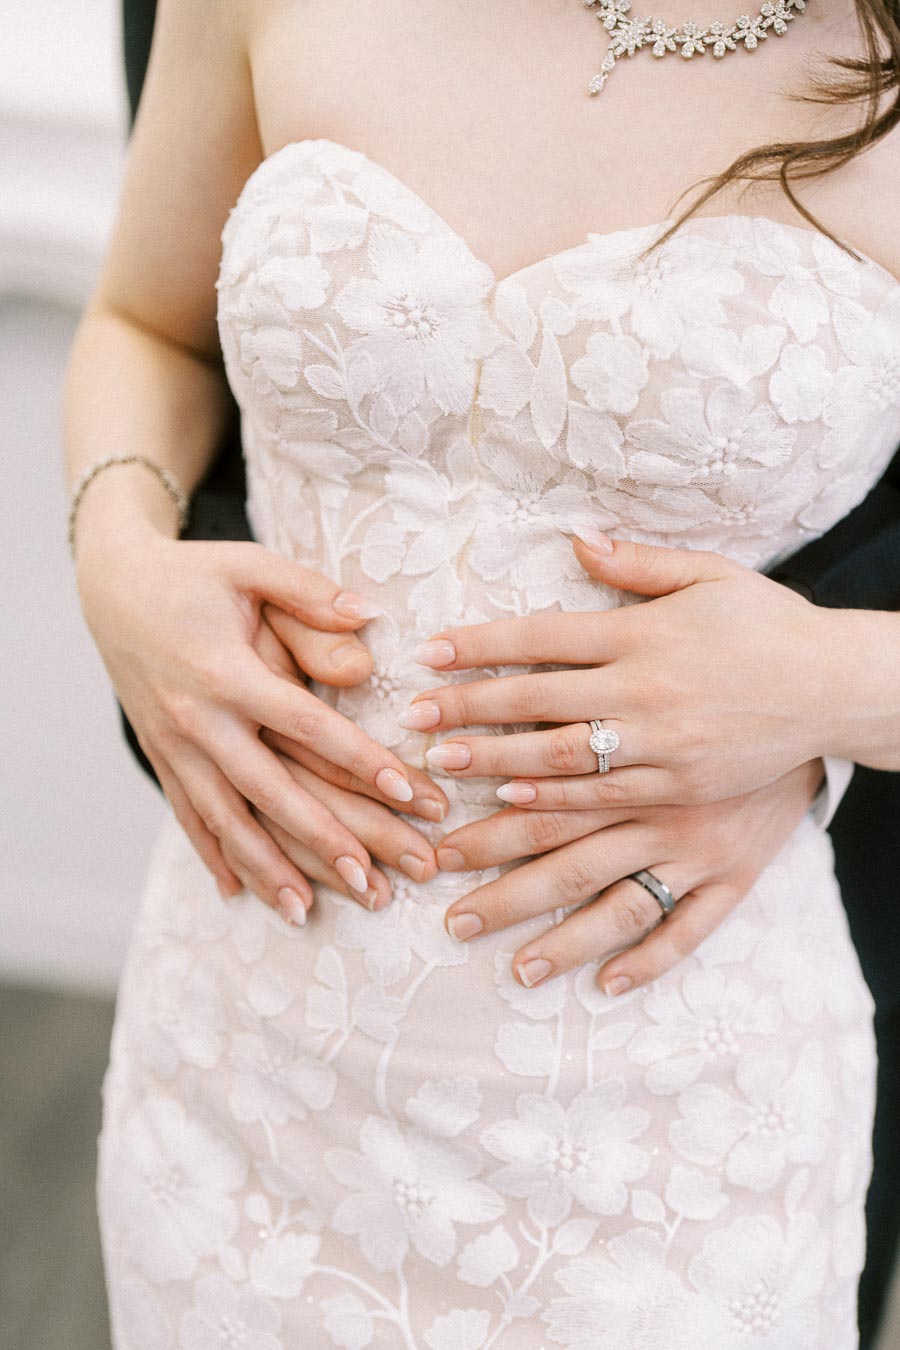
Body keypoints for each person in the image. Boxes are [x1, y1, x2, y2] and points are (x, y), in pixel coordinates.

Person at [65, 0, 900, 1343]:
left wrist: (828, 678)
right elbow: (142, 321)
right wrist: (116, 560)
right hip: (250, 1041)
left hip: (666, 1102)